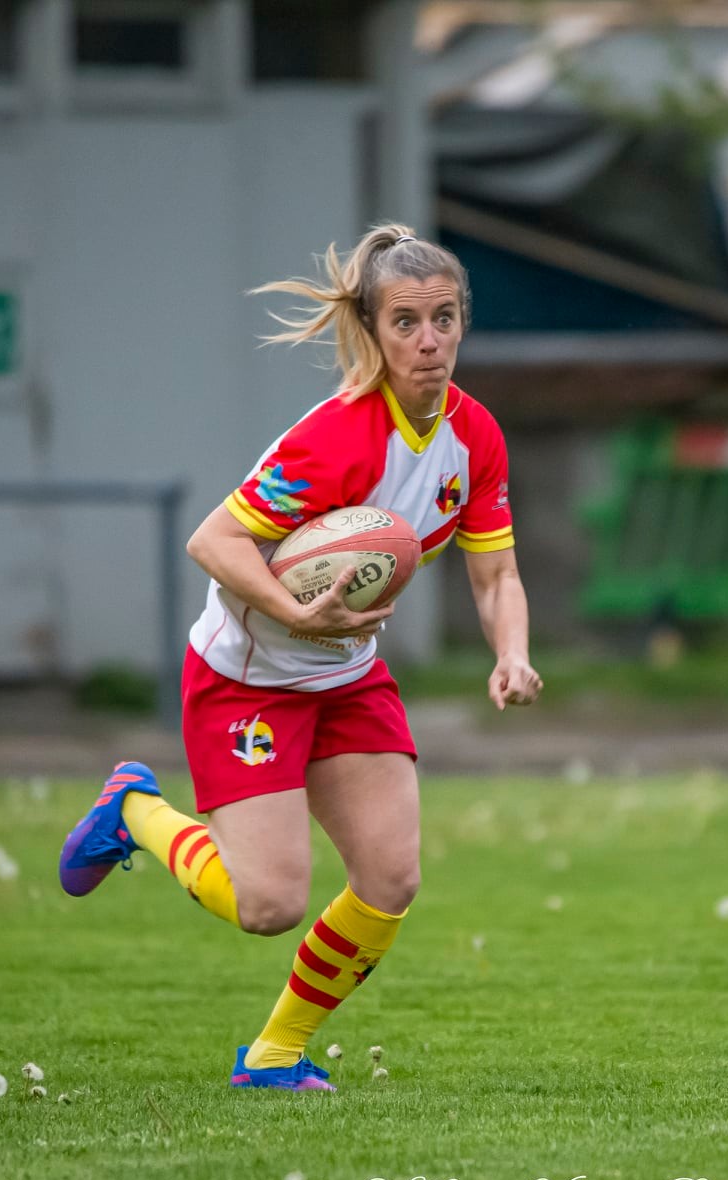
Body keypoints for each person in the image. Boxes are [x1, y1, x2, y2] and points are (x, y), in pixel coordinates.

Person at [57, 223, 541, 1091]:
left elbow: (496, 570)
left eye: (444, 318)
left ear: (463, 320)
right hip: (247, 679)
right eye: (405, 323)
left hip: (347, 676)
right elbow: (215, 540)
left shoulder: (477, 439)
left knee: (391, 877)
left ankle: (273, 1056)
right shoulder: (337, 438)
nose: (428, 341)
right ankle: (132, 810)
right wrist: (294, 613)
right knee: (267, 905)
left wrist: (512, 654)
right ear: (372, 330)